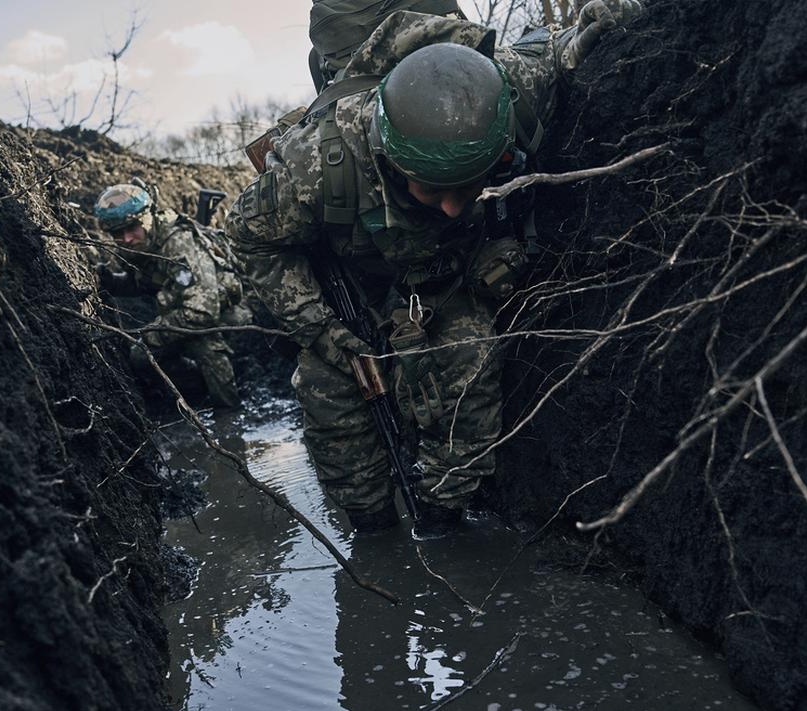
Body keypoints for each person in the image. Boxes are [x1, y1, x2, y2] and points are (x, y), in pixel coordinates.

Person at [227, 2, 641, 536]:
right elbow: (249, 238)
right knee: (329, 397)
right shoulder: (318, 164)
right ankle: (371, 530)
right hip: (358, 289)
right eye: (430, 189)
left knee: (471, 367)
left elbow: (552, 52)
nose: (451, 207)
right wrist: (324, 330)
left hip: (450, 280)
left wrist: (589, 33)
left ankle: (443, 520)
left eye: (467, 186)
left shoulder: (507, 95)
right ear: (389, 156)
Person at [94, 182, 248, 407]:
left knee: (204, 346)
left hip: (225, 314)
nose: (126, 238)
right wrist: (113, 283)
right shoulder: (141, 243)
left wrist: (152, 334)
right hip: (183, 310)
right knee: (141, 357)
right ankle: (196, 390)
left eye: (132, 227)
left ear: (148, 217)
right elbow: (146, 283)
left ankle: (230, 414)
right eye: (117, 233)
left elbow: (203, 312)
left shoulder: (177, 243)